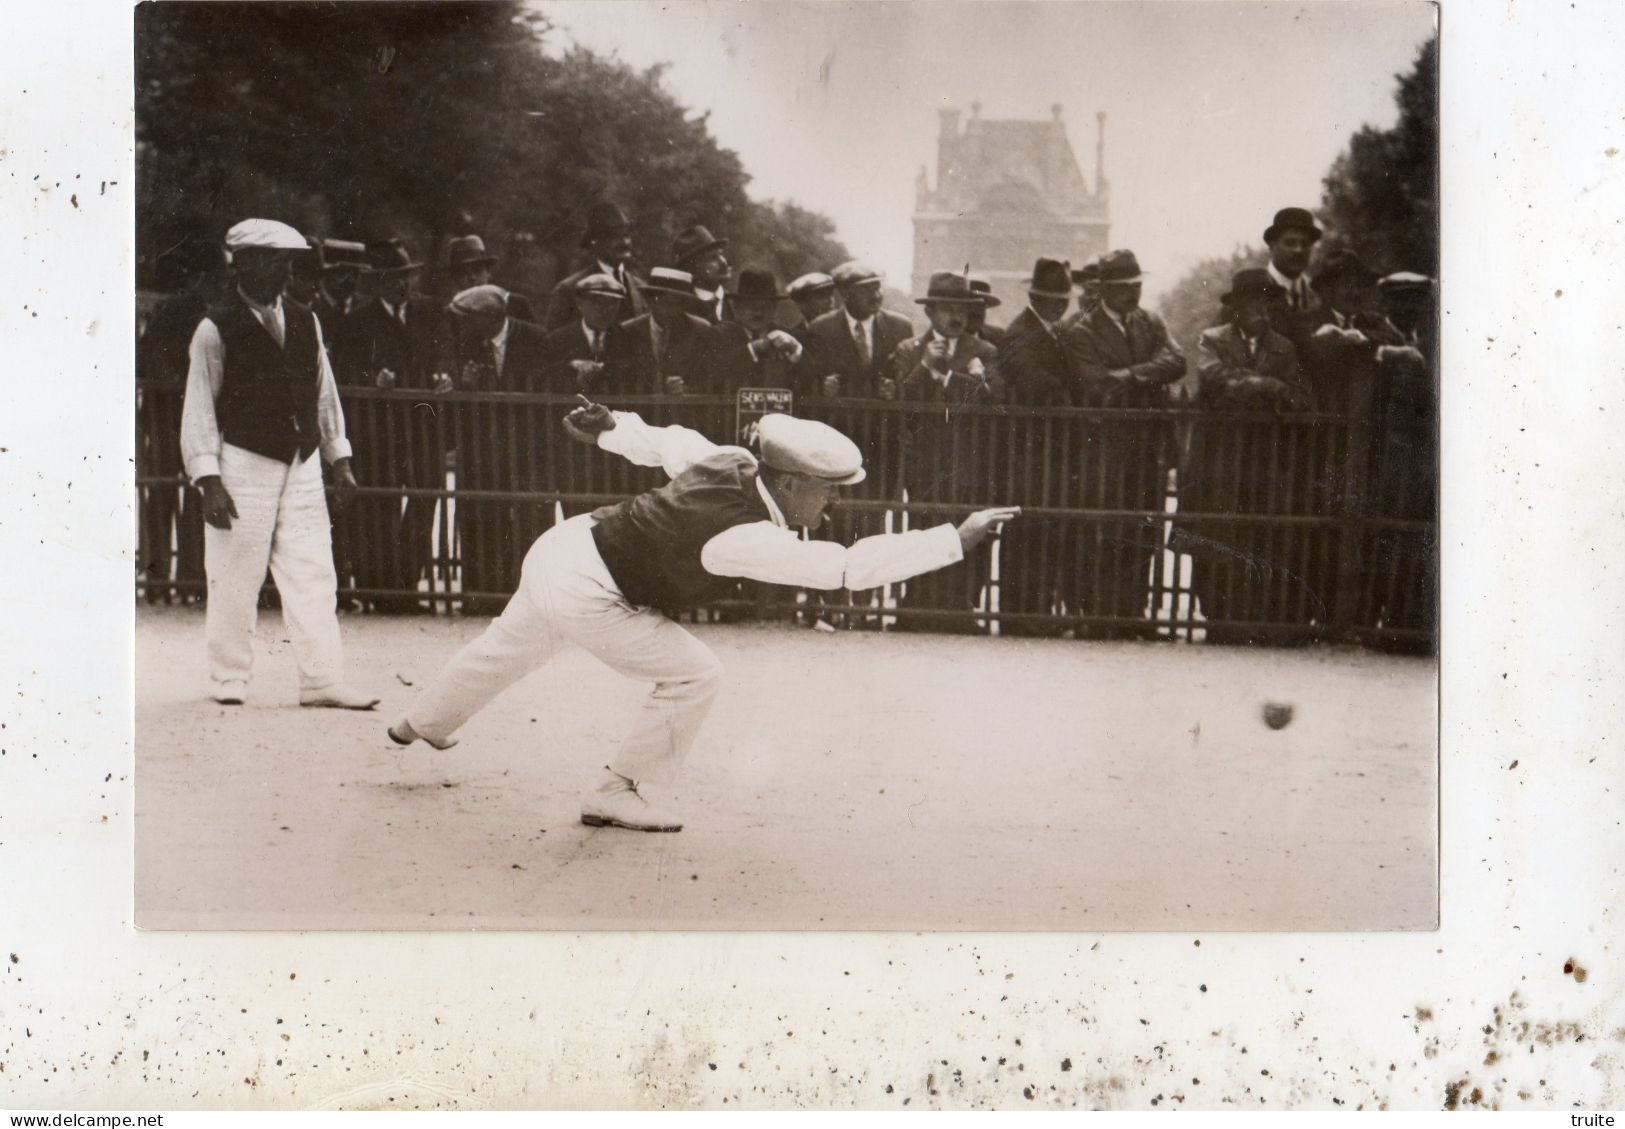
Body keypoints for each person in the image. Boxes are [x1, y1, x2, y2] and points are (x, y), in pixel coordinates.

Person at [387, 397, 1020, 831]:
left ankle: (420, 721)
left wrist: (610, 426)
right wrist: (953, 541)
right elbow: (846, 569)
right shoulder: (745, 537)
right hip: (590, 587)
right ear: (794, 482)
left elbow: (669, 443)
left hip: (565, 547)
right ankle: (617, 792)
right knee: (696, 674)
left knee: (508, 647)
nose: (832, 504)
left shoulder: (737, 461)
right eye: (828, 490)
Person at [179, 218, 378, 709]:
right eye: (272, 259)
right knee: (234, 572)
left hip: (303, 462)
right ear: (242, 262)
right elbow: (200, 406)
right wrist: (209, 480)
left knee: (313, 570)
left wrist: (340, 457)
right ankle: (229, 676)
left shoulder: (307, 318)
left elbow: (323, 391)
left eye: (288, 261)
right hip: (243, 461)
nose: (284, 271)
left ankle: (322, 680)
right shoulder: (214, 326)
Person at [1182, 268, 1315, 645]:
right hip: (1219, 458)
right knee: (1220, 530)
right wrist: (1268, 386)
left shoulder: (1284, 347)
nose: (1261, 309)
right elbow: (1214, 379)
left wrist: (1263, 387)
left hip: (1265, 461)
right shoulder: (1213, 340)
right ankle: (1219, 617)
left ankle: (1257, 616)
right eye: (1252, 300)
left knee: (1261, 531)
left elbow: (1300, 398)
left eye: (1267, 300)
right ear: (1236, 306)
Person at [1058, 248, 1185, 638]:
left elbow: (1178, 361)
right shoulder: (1081, 330)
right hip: (1104, 444)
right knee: (1102, 527)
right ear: (1105, 290)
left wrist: (1129, 375)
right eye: (1125, 287)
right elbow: (1096, 385)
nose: (1134, 293)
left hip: (1145, 443)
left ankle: (1133, 614)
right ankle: (1097, 615)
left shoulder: (1150, 321)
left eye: (1137, 285)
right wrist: (1147, 375)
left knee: (1143, 527)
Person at [332, 237, 448, 613]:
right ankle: (376, 588)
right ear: (377, 282)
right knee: (377, 508)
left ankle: (407, 588)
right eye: (392, 277)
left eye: (406, 276)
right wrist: (371, 380)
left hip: (422, 428)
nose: (401, 285)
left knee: (422, 503)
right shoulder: (357, 322)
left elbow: (443, 354)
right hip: (377, 431)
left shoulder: (430, 313)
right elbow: (343, 374)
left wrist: (444, 377)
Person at [891, 271, 1003, 633]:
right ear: (931, 313)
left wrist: (956, 381)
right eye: (946, 309)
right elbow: (901, 402)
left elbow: (997, 402)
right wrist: (925, 368)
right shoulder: (910, 350)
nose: (955, 316)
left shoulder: (984, 351)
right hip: (926, 457)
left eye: (962, 309)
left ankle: (961, 609)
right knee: (924, 528)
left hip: (970, 458)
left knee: (967, 530)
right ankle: (917, 609)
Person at [442, 284, 550, 611]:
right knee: (483, 515)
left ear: (490, 317)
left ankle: (533, 596)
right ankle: (482, 594)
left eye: (467, 319)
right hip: (484, 448)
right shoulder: (466, 343)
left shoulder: (535, 338)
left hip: (528, 445)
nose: (461, 325)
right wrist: (466, 385)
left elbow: (545, 389)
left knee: (533, 517)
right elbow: (460, 400)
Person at [992, 257, 1075, 636]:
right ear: (1034, 297)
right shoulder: (1019, 333)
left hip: (1050, 449)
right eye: (1051, 298)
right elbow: (1036, 385)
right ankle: (1020, 613)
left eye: (1062, 298)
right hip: (1028, 449)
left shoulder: (1050, 332)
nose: (1060, 305)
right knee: (1026, 529)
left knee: (1044, 527)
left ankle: (1037, 609)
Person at [801, 260, 914, 400]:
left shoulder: (900, 327)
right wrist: (822, 387)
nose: (876, 296)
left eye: (878, 287)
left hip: (885, 419)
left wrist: (896, 389)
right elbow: (809, 379)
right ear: (845, 293)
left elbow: (911, 381)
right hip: (837, 418)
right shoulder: (820, 328)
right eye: (866, 290)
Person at [605, 267, 716, 395]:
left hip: (682, 410)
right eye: (668, 304)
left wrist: (686, 388)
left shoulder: (700, 330)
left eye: (679, 305)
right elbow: (617, 377)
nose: (673, 311)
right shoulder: (627, 331)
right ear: (651, 301)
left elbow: (710, 378)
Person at [544, 202, 648, 330]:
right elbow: (553, 344)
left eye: (627, 235)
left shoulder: (641, 288)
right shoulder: (568, 290)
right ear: (595, 242)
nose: (624, 243)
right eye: (615, 236)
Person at [707, 268, 805, 393]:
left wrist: (795, 350)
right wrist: (753, 349)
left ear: (775, 308)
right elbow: (711, 374)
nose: (758, 313)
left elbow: (811, 379)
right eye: (751, 306)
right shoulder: (719, 335)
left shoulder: (788, 337)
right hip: (729, 411)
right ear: (737, 307)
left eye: (765, 307)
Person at [539, 272, 627, 395]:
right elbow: (542, 377)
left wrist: (604, 369)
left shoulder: (628, 338)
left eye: (612, 303)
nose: (604, 310)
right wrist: (572, 366)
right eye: (596, 302)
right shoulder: (557, 340)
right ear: (580, 304)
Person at [1261, 207, 1327, 351]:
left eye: (1305, 244)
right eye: (1290, 243)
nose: (1298, 250)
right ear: (1272, 245)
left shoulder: (1319, 294)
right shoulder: (1251, 289)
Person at [444, 233, 538, 324]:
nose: (472, 277)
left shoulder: (515, 304)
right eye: (463, 273)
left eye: (477, 270)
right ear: (455, 278)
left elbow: (537, 337)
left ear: (488, 272)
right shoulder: (451, 314)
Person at [672, 224, 732, 324]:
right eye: (712, 258)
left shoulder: (735, 304)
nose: (723, 262)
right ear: (691, 269)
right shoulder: (682, 307)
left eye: (721, 254)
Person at [785, 272, 838, 339]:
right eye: (821, 296)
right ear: (802, 303)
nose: (830, 301)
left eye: (831, 294)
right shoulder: (794, 337)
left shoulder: (845, 326)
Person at [967, 274, 1006, 347]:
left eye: (981, 305)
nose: (977, 312)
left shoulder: (998, 336)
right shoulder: (943, 341)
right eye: (970, 305)